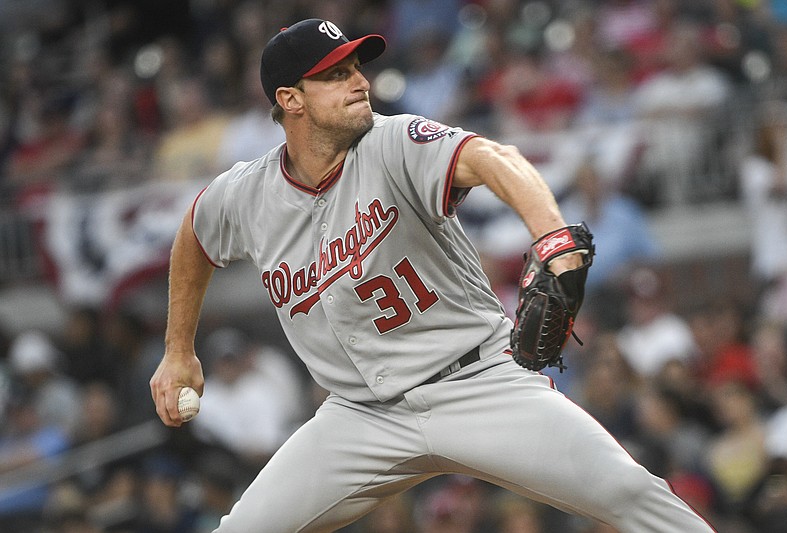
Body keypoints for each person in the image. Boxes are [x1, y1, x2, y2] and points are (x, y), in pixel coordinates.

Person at [150, 19, 715, 532]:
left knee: (630, 493)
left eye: (357, 68)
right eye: (335, 74)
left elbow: (498, 159)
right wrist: (179, 349)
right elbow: (194, 236)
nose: (360, 82)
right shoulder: (247, 193)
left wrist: (552, 236)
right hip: (359, 416)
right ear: (290, 99)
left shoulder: (393, 141)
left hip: (475, 384)